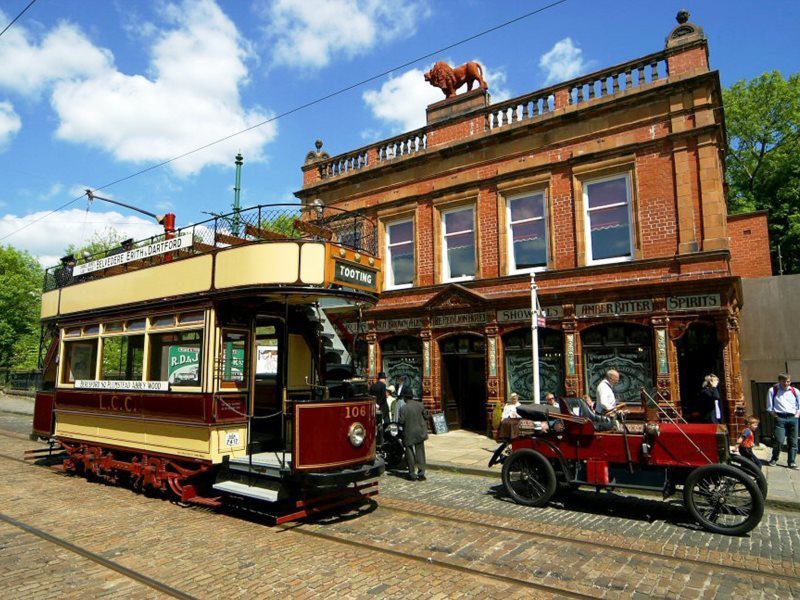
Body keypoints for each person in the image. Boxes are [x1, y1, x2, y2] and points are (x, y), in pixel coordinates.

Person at [767, 373, 800, 468]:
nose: (786, 383)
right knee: (779, 440)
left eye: (788, 381)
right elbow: (769, 407)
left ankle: (792, 462)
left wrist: (797, 415)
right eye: (784, 381)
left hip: (793, 418)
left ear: (790, 381)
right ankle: (774, 459)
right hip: (780, 418)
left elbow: (799, 405)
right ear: (779, 381)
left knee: (793, 441)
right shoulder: (773, 390)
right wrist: (776, 416)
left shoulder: (795, 391)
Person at [398, 389, 428, 481]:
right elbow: (426, 416)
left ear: (405, 397)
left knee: (409, 452)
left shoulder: (403, 408)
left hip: (409, 432)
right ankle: (421, 473)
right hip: (420, 432)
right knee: (420, 452)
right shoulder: (420, 405)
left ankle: (412, 474)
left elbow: (401, 422)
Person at [369, 372, 389, 444]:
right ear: (383, 379)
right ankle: (384, 439)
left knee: (376, 423)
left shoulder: (373, 386)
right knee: (385, 423)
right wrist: (379, 404)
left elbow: (370, 396)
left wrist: (375, 404)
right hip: (382, 407)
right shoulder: (383, 385)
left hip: (374, 407)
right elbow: (383, 396)